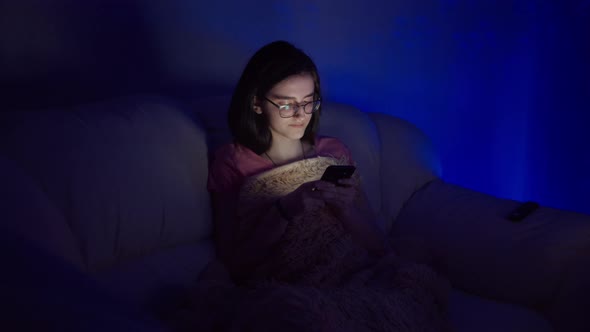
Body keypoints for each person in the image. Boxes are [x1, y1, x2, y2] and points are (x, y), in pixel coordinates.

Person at [203, 40, 450, 331]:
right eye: (286, 105)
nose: (301, 115)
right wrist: (285, 210)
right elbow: (235, 263)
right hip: (289, 284)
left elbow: (378, 244)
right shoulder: (233, 161)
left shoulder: (333, 152)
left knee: (411, 298)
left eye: (309, 102)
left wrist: (345, 210)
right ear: (256, 102)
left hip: (353, 271)